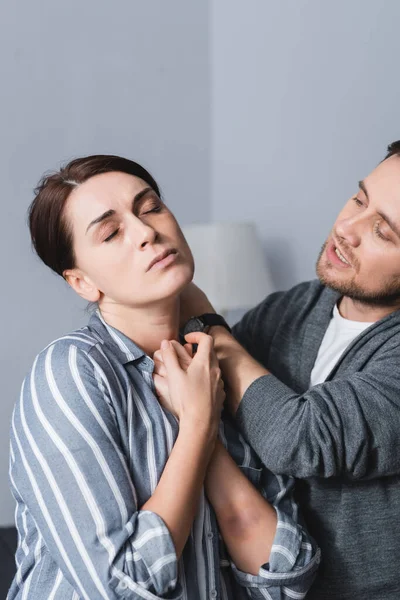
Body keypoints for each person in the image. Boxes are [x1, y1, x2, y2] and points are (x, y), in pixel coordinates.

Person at [7, 155, 319, 600]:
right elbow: (120, 588)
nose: (146, 232)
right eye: (112, 232)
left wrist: (207, 421)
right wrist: (195, 426)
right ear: (81, 283)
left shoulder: (222, 369)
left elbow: (287, 580)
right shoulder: (72, 373)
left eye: (150, 207)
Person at [178, 140, 400, 600]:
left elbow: (298, 439)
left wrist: (212, 325)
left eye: (384, 232)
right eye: (359, 199)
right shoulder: (295, 306)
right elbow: (211, 395)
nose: (347, 229)